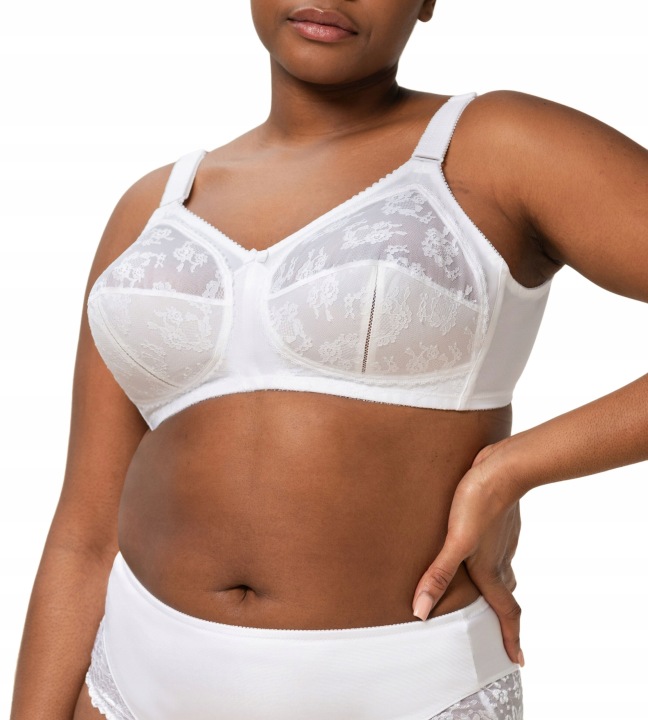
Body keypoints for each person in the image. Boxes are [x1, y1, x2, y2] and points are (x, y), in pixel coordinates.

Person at [9, 1, 647, 718]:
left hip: (407, 688)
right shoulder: (152, 208)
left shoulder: (496, 146)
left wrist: (512, 468)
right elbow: (85, 532)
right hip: (130, 682)